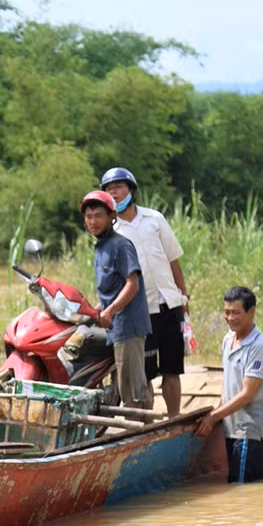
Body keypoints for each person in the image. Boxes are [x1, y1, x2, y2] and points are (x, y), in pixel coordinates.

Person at [101, 167, 191, 417]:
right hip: (140, 311)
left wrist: (183, 296)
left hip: (169, 302)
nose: (114, 193)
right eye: (109, 190)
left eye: (118, 187)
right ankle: (147, 424)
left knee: (172, 369)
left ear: (131, 190)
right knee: (146, 372)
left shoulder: (154, 219)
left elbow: (173, 260)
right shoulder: (112, 232)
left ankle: (173, 419)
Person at [80, 190, 152, 409]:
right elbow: (113, 288)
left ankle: (141, 428)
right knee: (130, 382)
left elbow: (132, 284)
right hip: (116, 324)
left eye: (98, 216)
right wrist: (94, 310)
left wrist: (110, 310)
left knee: (132, 391)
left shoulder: (120, 245)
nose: (93, 222)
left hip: (127, 324)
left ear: (112, 216)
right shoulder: (102, 246)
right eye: (89, 216)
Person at [196, 286, 263, 483]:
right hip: (232, 428)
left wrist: (214, 417)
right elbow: (229, 381)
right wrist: (219, 412)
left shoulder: (259, 347)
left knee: (243, 490)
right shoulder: (228, 340)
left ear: (252, 312)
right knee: (239, 487)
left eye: (235, 313)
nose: (230, 318)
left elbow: (248, 394)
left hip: (249, 433)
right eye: (226, 312)